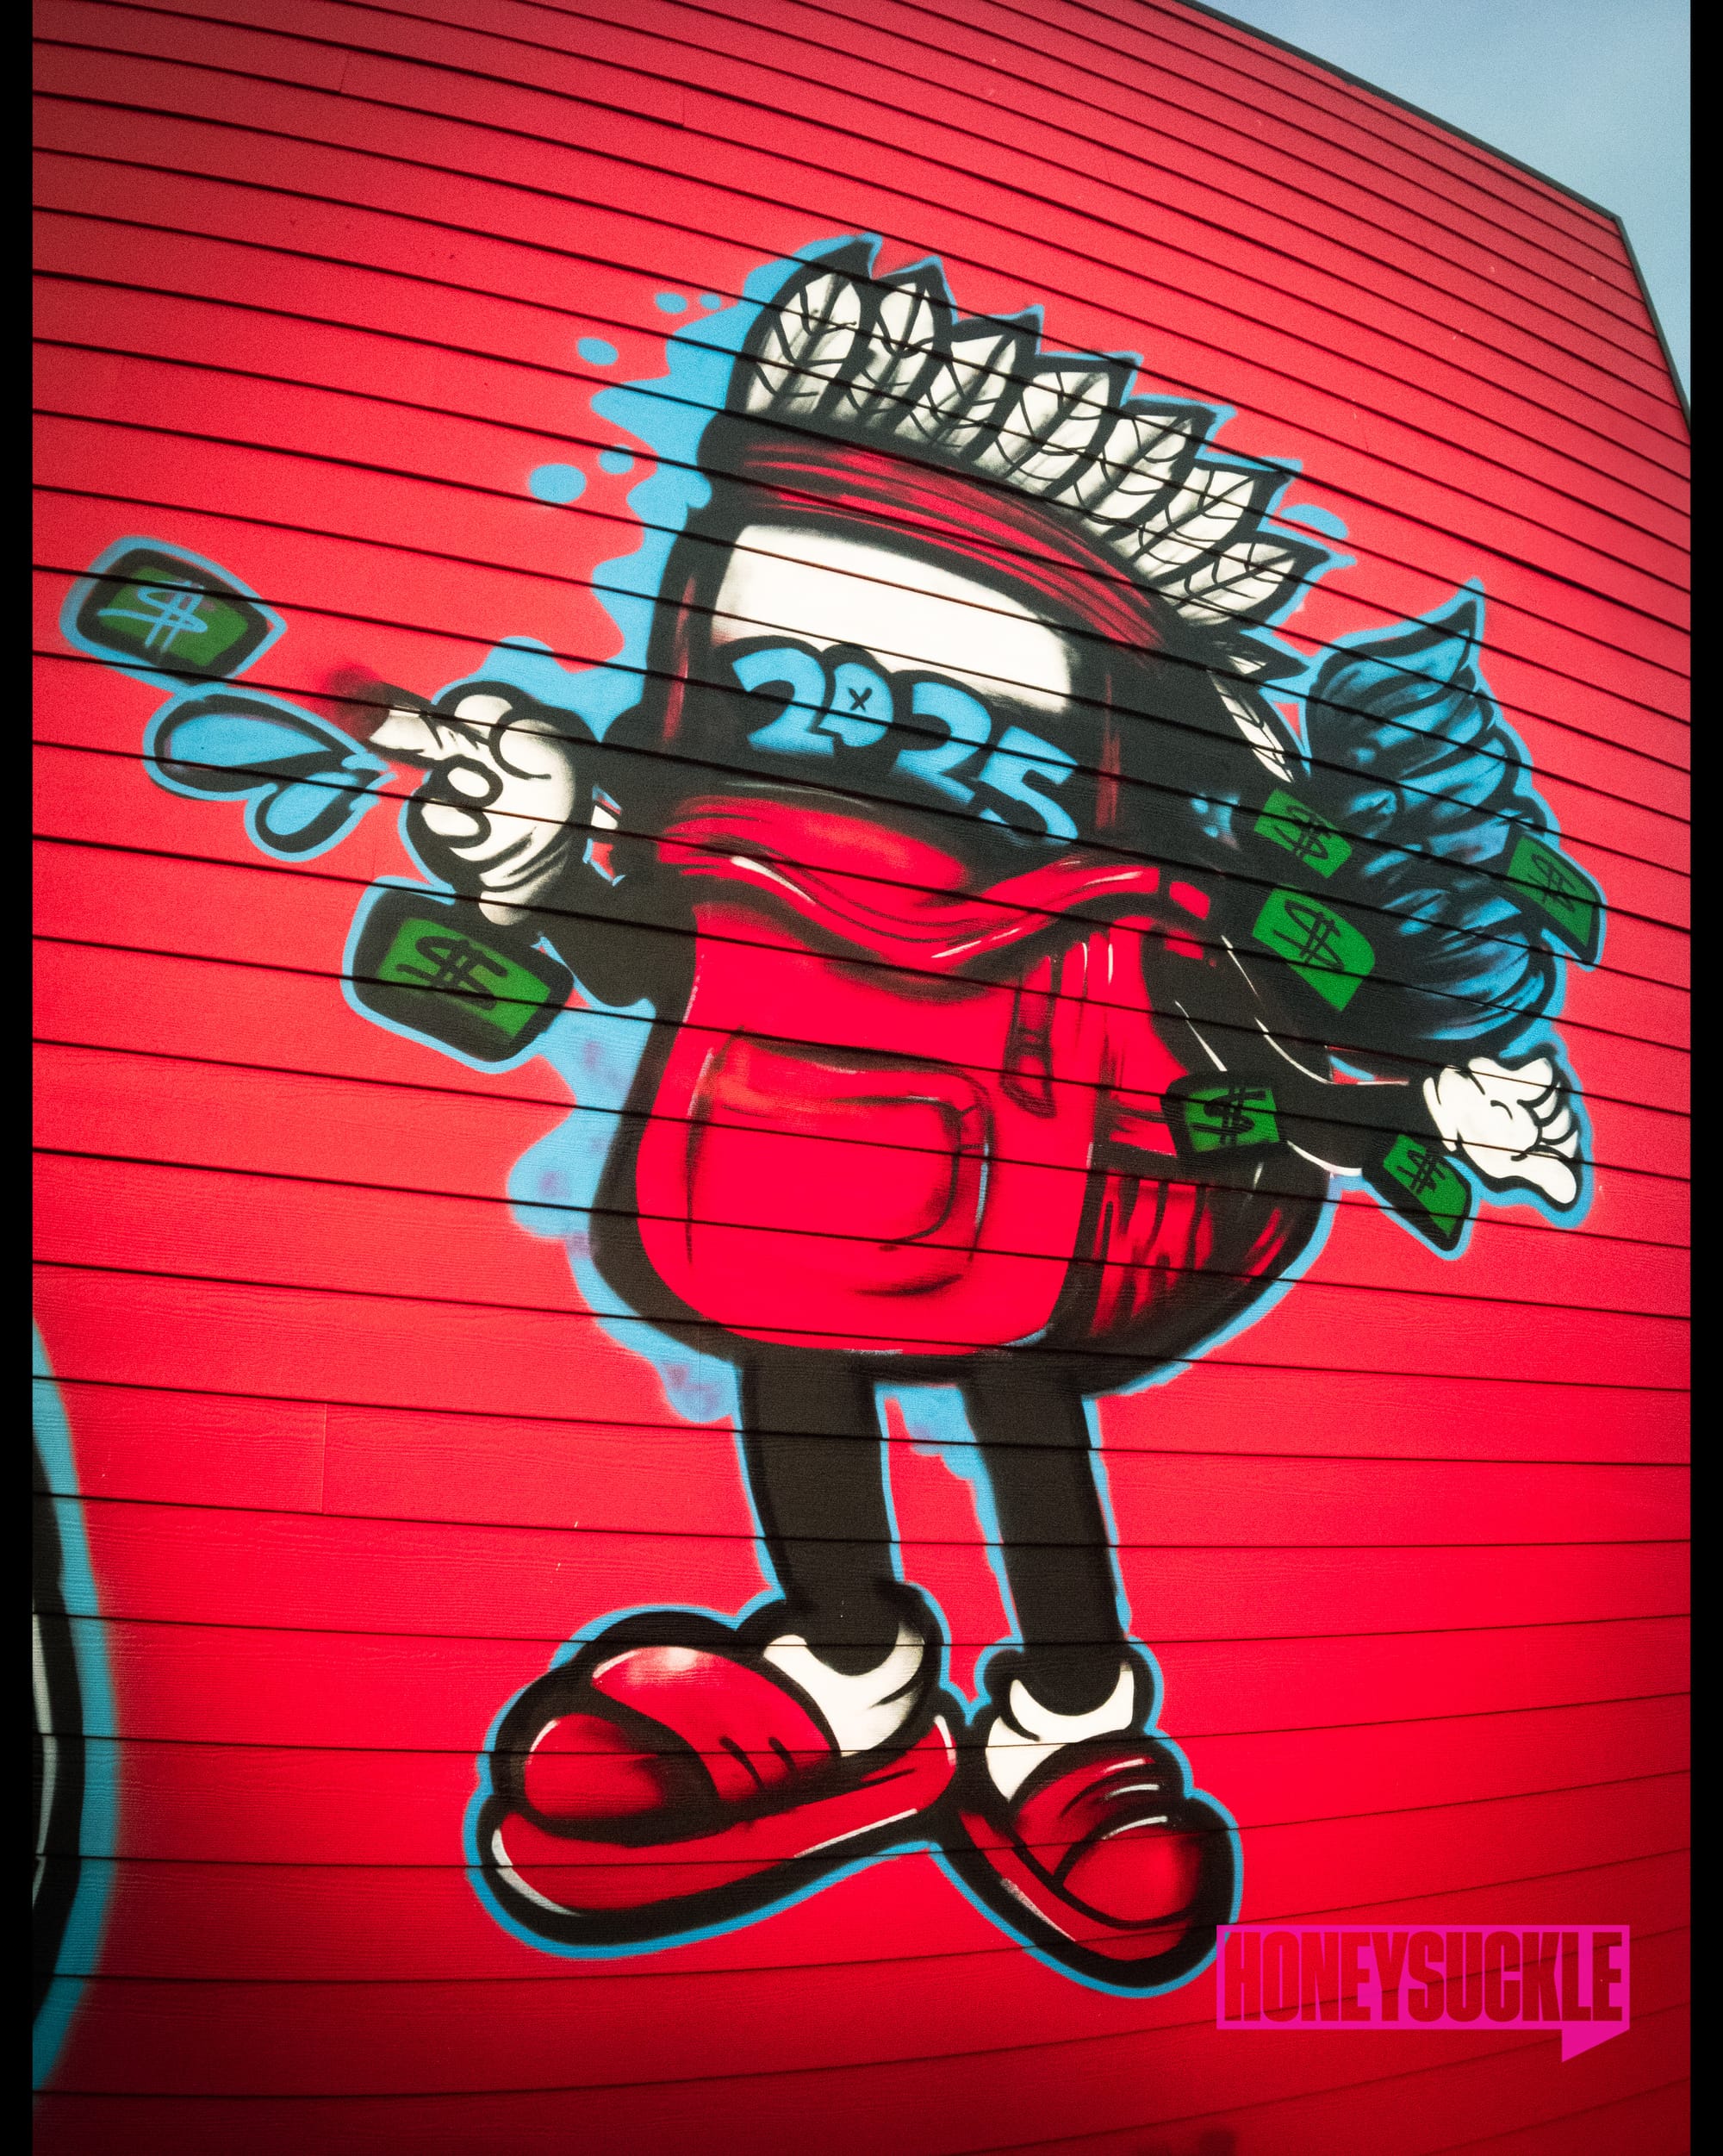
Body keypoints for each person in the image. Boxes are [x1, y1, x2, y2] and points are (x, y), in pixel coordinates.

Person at [358, 249, 1593, 1989]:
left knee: (1024, 1400)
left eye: (922, 702)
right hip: (765, 1181)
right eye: (791, 673)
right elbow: (613, 929)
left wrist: (1425, 1098)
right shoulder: (721, 847)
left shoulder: (1116, 924)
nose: (846, 720)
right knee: (792, 1356)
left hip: (1032, 1209)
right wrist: (529, 848)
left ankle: (1064, 1717)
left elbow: (1236, 1066)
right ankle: (850, 1670)